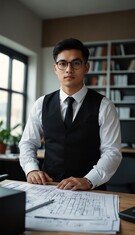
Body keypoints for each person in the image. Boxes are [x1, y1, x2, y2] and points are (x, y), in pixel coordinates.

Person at [19, 38, 122, 191]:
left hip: (90, 189)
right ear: (55, 68)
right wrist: (31, 169)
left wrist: (89, 180)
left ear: (86, 67)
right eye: (62, 64)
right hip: (49, 186)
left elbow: (112, 152)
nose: (69, 69)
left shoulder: (105, 106)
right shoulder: (41, 104)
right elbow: (28, 143)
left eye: (76, 63)